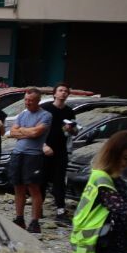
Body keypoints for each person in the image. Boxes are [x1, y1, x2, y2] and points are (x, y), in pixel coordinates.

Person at [7, 87, 52, 233]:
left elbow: (36, 133)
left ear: (38, 100)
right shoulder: (22, 115)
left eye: (31, 100)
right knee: (18, 186)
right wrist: (28, 131)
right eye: (26, 100)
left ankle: (34, 221)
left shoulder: (46, 115)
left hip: (33, 156)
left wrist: (23, 131)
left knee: (33, 188)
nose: (27, 103)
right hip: (17, 153)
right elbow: (12, 132)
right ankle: (19, 218)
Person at [42, 84, 77, 220]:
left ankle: (61, 210)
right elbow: (38, 129)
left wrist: (70, 129)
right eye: (61, 91)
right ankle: (38, 208)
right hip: (45, 148)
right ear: (54, 94)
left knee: (60, 180)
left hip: (61, 149)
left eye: (66, 91)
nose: (63, 93)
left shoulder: (69, 111)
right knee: (42, 179)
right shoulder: (46, 109)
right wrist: (43, 145)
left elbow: (75, 131)